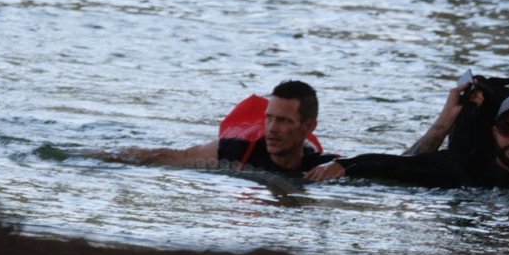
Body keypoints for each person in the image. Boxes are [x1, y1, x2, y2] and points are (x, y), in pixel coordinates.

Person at [305, 90, 509, 197]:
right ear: (494, 131)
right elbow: (398, 166)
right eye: (507, 128)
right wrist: (344, 165)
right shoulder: (461, 168)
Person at [92, 79, 338, 175]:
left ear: (308, 127)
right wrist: (93, 157)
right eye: (269, 118)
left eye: (283, 121)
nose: (271, 128)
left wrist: (341, 166)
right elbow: (167, 156)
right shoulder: (237, 152)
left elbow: (375, 163)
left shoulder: (321, 166)